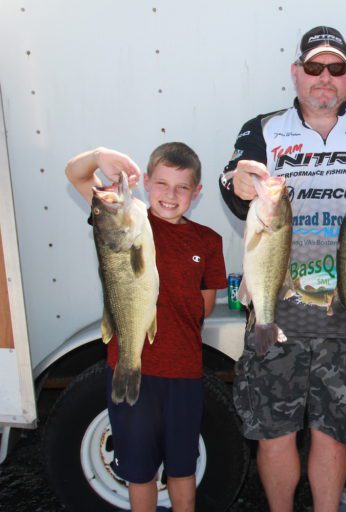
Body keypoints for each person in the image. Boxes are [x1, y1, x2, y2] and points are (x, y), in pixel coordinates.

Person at [218, 26, 346, 512]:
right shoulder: (263, 127)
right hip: (276, 311)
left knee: (333, 433)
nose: (324, 78)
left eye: (336, 68)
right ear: (296, 73)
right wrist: (237, 181)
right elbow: (236, 186)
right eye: (314, 67)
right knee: (274, 431)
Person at [66, 143, 227, 512]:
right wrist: (98, 156)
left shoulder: (208, 241)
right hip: (131, 365)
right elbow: (76, 174)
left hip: (184, 372)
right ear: (146, 184)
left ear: (196, 193)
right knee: (140, 471)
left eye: (182, 187)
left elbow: (205, 304)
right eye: (161, 184)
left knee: (183, 468)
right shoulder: (125, 218)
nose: (170, 195)